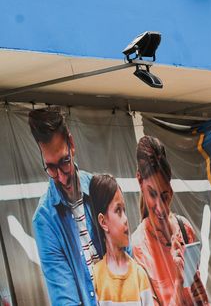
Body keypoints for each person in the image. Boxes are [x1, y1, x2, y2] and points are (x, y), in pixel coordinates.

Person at [29, 106, 100, 305]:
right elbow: (65, 300)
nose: (60, 176)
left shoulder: (101, 190)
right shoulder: (44, 220)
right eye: (51, 167)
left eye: (64, 162)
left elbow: (126, 262)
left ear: (71, 143)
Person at [131, 136, 209, 306]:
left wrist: (199, 295)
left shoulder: (185, 228)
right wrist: (178, 283)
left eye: (165, 196)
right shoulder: (138, 248)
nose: (160, 208)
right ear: (139, 180)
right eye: (152, 194)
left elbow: (198, 297)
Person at [89, 174, 154, 305]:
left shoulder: (139, 276)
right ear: (103, 221)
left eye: (124, 210)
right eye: (118, 210)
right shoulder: (96, 277)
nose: (125, 219)